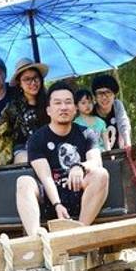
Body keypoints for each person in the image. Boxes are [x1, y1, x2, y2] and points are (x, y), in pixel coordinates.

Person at [16, 81, 109, 236]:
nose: (63, 107)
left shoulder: (87, 133)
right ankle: (34, 238)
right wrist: (57, 204)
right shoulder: (37, 139)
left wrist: (80, 167)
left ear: (75, 109)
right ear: (48, 110)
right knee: (23, 182)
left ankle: (79, 232)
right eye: (57, 103)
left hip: (79, 192)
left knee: (101, 174)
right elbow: (45, 176)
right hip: (50, 196)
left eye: (68, 102)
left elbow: (96, 161)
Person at [0, 57, 49, 165]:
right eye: (27, 79)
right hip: (23, 150)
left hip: (49, 147)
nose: (33, 82)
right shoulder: (13, 107)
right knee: (29, 160)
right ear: (20, 83)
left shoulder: (50, 102)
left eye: (35, 78)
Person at [91, 74, 131, 150]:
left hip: (119, 152)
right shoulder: (91, 110)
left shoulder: (117, 105)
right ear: (95, 97)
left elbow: (124, 123)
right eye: (100, 93)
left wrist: (128, 144)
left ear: (114, 95)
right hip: (98, 154)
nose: (104, 97)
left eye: (108, 92)